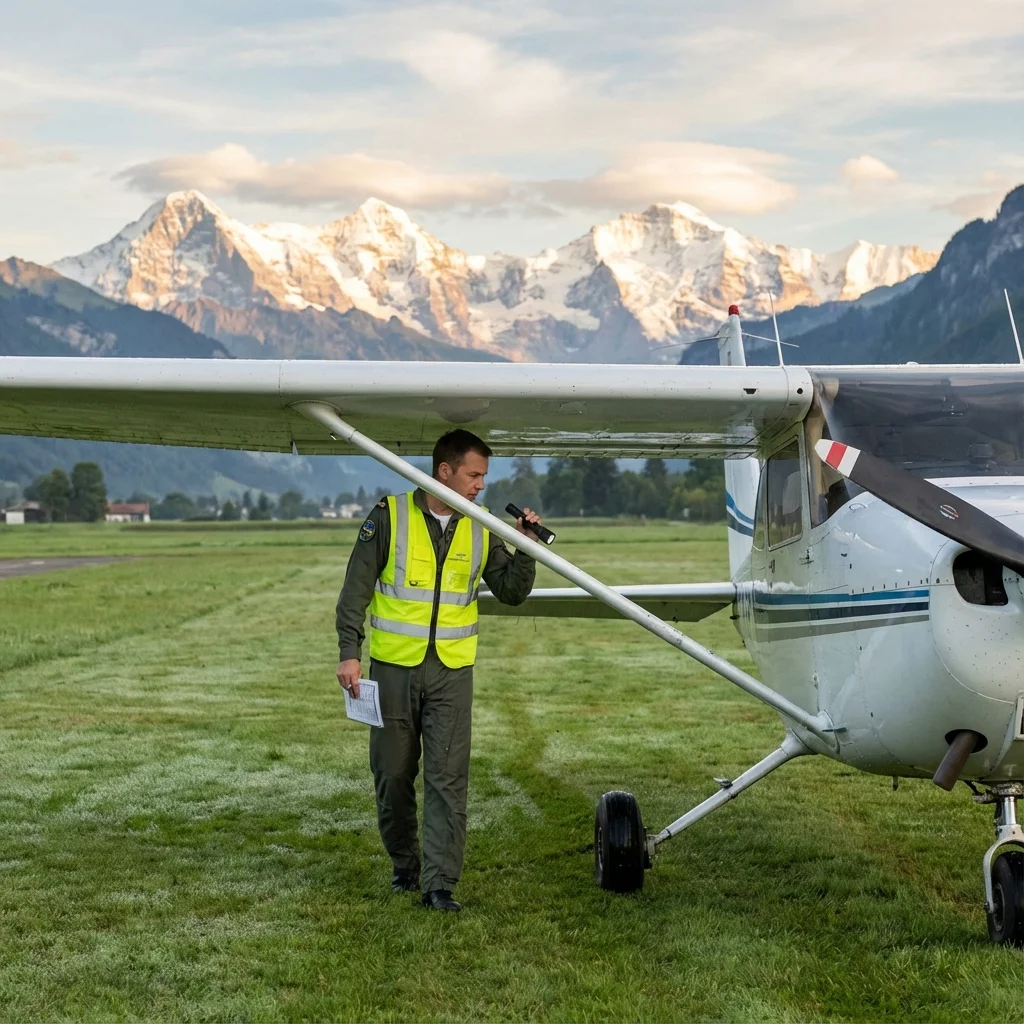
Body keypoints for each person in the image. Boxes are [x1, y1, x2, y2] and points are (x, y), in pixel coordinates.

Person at [335, 429, 542, 912]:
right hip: (392, 671)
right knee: (392, 774)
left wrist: (526, 546)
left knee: (448, 778)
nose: (480, 486)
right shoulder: (388, 517)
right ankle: (405, 866)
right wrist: (349, 651)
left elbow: (511, 591)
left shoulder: (483, 524)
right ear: (444, 471)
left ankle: (439, 884)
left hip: (452, 673)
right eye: (473, 475)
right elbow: (355, 591)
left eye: (484, 477)